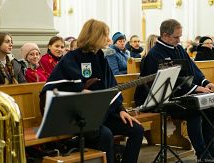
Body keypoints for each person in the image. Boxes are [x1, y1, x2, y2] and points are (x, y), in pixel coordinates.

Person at [40, 19, 144, 163]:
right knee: (105, 135)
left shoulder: (100, 56)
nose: (108, 39)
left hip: (102, 113)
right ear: (94, 36)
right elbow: (54, 88)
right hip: (77, 116)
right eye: (105, 35)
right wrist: (80, 91)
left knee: (136, 129)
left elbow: (110, 85)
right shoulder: (71, 58)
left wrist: (120, 109)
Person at [134, 19, 214, 161]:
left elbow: (193, 69)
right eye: (176, 37)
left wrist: (205, 82)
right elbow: (164, 84)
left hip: (182, 94)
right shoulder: (154, 55)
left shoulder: (178, 48)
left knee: (210, 107)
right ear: (165, 35)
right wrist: (195, 88)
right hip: (160, 99)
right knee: (194, 111)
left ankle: (211, 150)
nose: (179, 40)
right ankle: (202, 154)